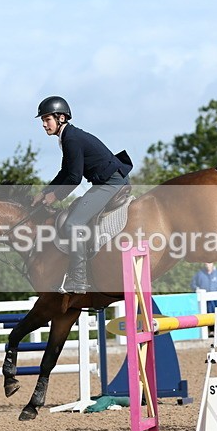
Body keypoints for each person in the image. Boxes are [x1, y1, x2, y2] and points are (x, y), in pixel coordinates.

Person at [31, 96, 133, 294]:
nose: (44, 124)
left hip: (112, 183)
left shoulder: (71, 138)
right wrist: (44, 192)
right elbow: (65, 173)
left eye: (47, 119)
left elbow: (75, 177)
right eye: (42, 120)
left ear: (60, 117)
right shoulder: (68, 137)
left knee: (73, 223)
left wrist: (55, 196)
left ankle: (78, 278)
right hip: (107, 181)